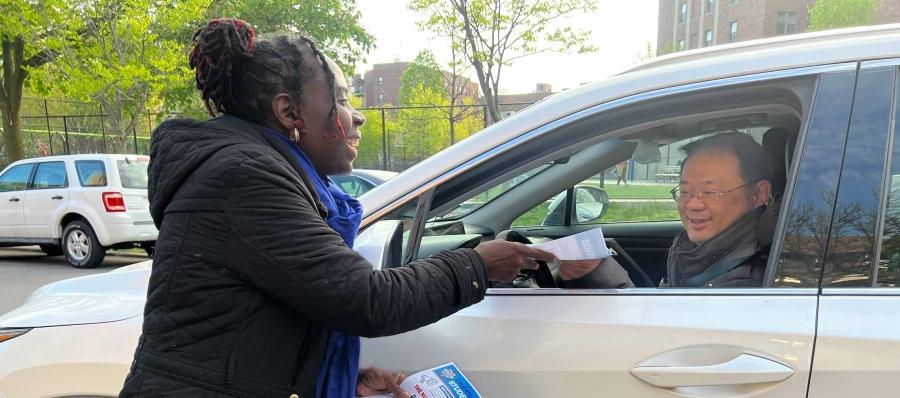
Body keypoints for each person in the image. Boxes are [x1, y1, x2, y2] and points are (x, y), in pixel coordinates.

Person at [119, 19, 555, 398]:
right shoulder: (244, 177)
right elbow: (366, 300)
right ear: (290, 111)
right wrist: (475, 266)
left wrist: (339, 380)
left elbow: (263, 317)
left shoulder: (258, 171)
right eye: (341, 99)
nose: (356, 117)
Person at [559, 132, 774, 288]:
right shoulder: (705, 252)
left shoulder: (742, 285)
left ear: (759, 194)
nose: (692, 204)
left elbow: (663, 340)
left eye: (710, 192)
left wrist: (602, 278)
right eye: (686, 190)